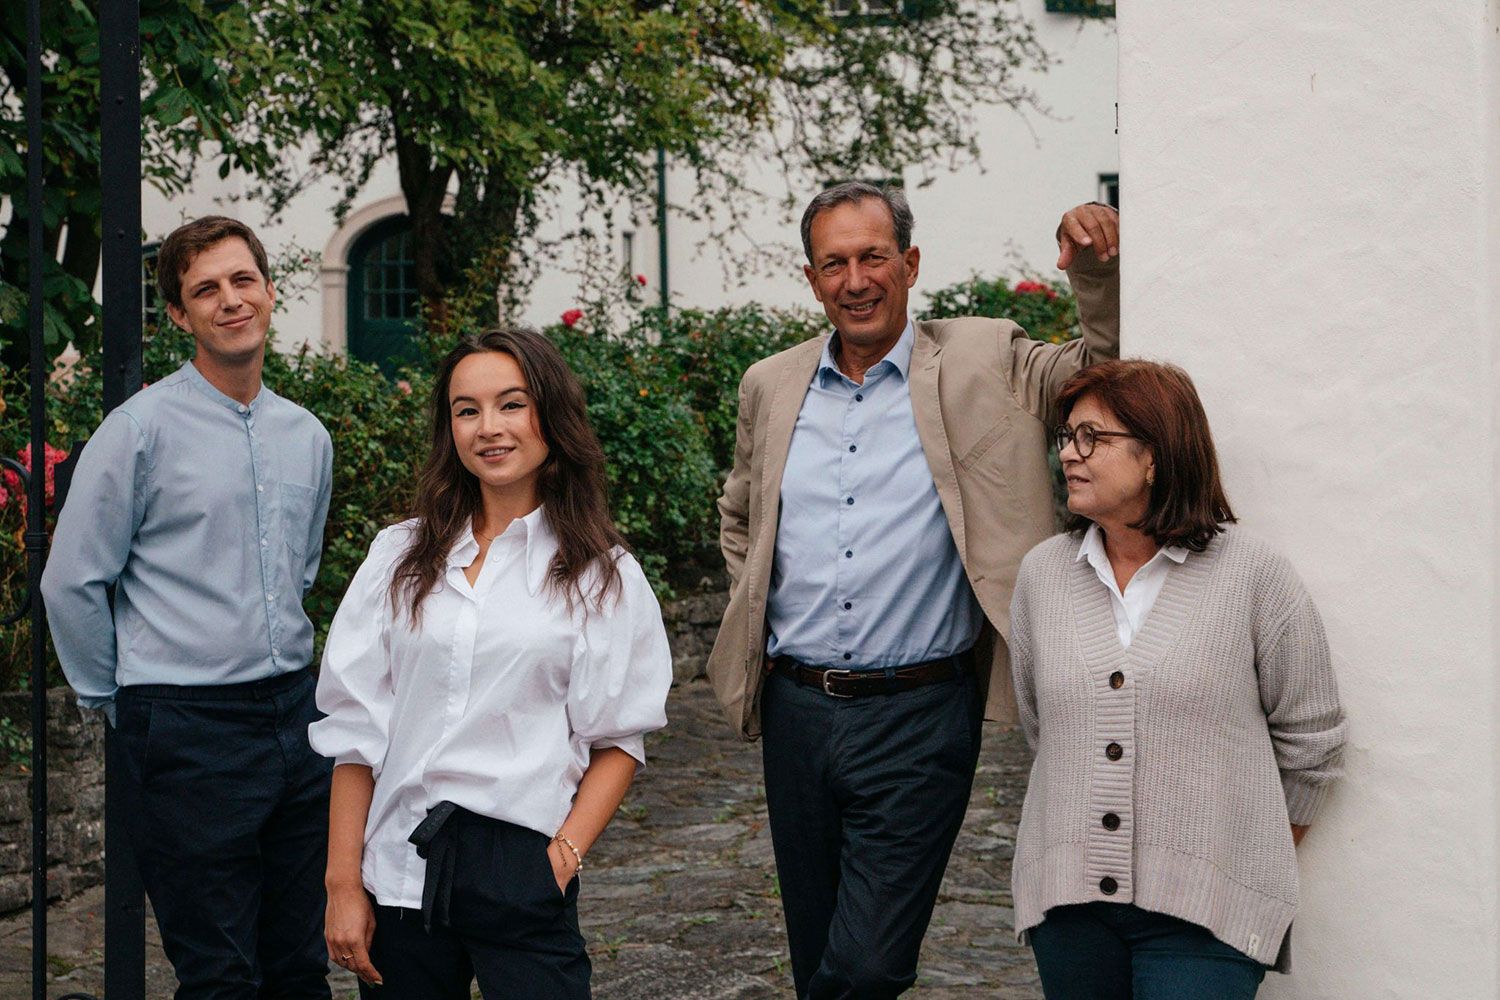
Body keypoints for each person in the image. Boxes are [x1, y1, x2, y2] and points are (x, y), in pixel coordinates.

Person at [706, 181, 1121, 998]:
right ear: (812, 276)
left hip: (921, 713)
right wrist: (752, 608)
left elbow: (1103, 376)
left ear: (911, 263)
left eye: (873, 257)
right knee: (816, 951)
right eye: (835, 263)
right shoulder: (771, 383)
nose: (855, 280)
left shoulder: (987, 356)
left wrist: (1098, 278)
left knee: (866, 963)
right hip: (798, 709)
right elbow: (740, 516)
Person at [310, 327, 672, 999]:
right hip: (399, 873)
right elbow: (356, 733)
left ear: (551, 415)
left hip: (520, 870)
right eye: (466, 410)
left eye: (512, 403)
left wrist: (560, 859)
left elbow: (619, 737)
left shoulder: (600, 573)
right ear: (449, 428)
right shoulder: (397, 557)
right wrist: (342, 884)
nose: (489, 428)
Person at [41, 216, 335, 998]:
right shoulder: (136, 432)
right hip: (186, 729)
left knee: (302, 965)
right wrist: (118, 699)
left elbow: (298, 569)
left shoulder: (307, 436)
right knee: (220, 974)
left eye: (243, 281)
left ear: (270, 292)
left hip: (297, 722)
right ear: (178, 315)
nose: (230, 300)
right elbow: (70, 582)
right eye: (206, 289)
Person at [1007, 359, 1348, 998]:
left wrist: (1235, 854)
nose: (1069, 456)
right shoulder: (1043, 576)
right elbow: (1043, 727)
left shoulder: (1253, 576)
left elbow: (1314, 741)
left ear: (1156, 457)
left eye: (1092, 438)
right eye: (1066, 436)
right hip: (1069, 911)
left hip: (1206, 922)